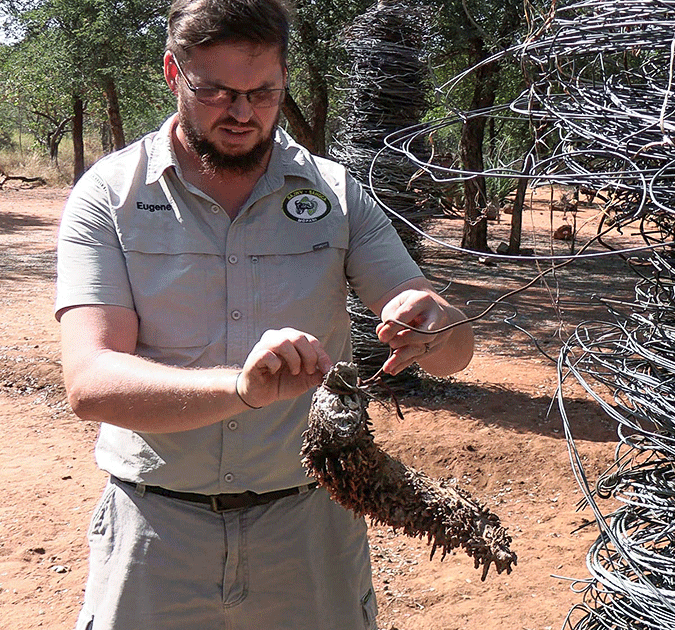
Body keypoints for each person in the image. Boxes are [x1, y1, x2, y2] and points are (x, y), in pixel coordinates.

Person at [54, 1, 473, 628]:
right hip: (156, 532)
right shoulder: (109, 196)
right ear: (173, 73)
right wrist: (240, 389)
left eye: (264, 93)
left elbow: (453, 344)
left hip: (310, 529)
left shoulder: (335, 194)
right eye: (218, 92)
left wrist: (431, 322)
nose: (244, 113)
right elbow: (90, 385)